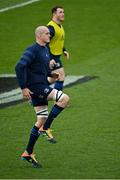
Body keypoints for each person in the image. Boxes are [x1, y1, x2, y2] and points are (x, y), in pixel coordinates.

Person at [15, 26, 70, 168]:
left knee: (41, 119)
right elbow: (19, 66)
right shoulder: (32, 50)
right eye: (47, 34)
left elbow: (42, 69)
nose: (49, 36)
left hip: (41, 84)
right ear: (39, 35)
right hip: (36, 87)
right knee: (64, 99)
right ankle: (46, 128)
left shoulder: (45, 49)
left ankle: (28, 152)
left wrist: (52, 75)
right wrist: (23, 88)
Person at [47, 6, 70, 91]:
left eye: (63, 12)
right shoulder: (51, 28)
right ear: (54, 14)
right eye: (60, 12)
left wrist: (64, 50)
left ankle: (35, 91)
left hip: (56, 56)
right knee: (61, 76)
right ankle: (58, 100)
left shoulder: (59, 25)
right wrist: (49, 58)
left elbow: (59, 40)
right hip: (51, 57)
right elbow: (45, 43)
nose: (63, 14)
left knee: (52, 78)